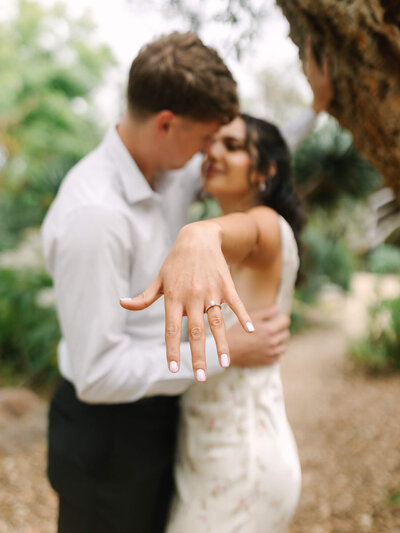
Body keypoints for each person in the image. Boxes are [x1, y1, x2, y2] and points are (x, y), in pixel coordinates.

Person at [42, 32, 294, 533]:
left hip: (166, 424)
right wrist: (227, 352)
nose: (209, 156)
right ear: (165, 124)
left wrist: (316, 111)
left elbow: (254, 173)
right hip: (109, 441)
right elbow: (98, 374)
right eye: (205, 140)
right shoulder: (95, 217)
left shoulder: (170, 168)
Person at [124, 113, 304, 532]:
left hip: (243, 462)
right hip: (203, 456)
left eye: (233, 145)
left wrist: (201, 233)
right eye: (211, 144)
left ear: (265, 171)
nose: (213, 153)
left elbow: (248, 231)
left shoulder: (266, 227)